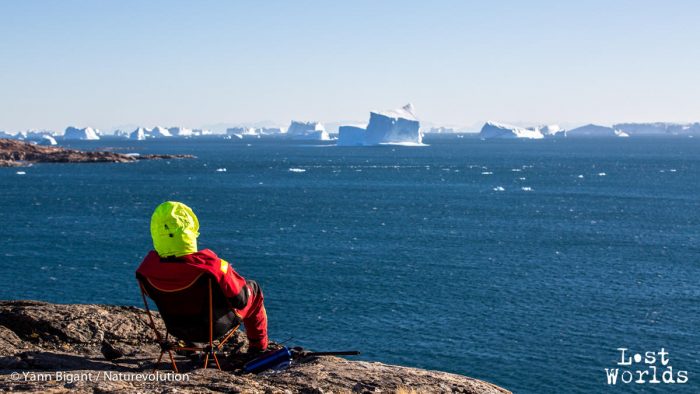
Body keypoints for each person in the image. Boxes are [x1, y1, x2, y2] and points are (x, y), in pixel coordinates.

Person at [136, 201, 268, 352]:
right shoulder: (211, 265)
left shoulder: (146, 269)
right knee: (254, 290)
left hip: (177, 328)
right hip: (213, 329)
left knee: (181, 299)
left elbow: (157, 295)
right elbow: (241, 300)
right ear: (190, 231)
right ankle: (258, 350)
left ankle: (190, 343)